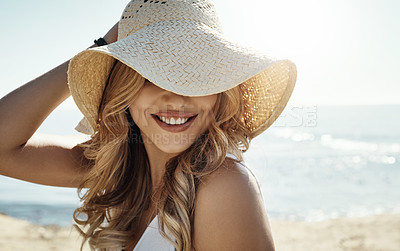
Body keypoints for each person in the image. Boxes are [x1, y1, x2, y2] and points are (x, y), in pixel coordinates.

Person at [0, 0, 296, 250]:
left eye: (198, 75)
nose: (178, 97)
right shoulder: (119, 169)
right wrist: (101, 50)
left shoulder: (224, 187)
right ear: (123, 90)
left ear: (219, 94)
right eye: (151, 74)